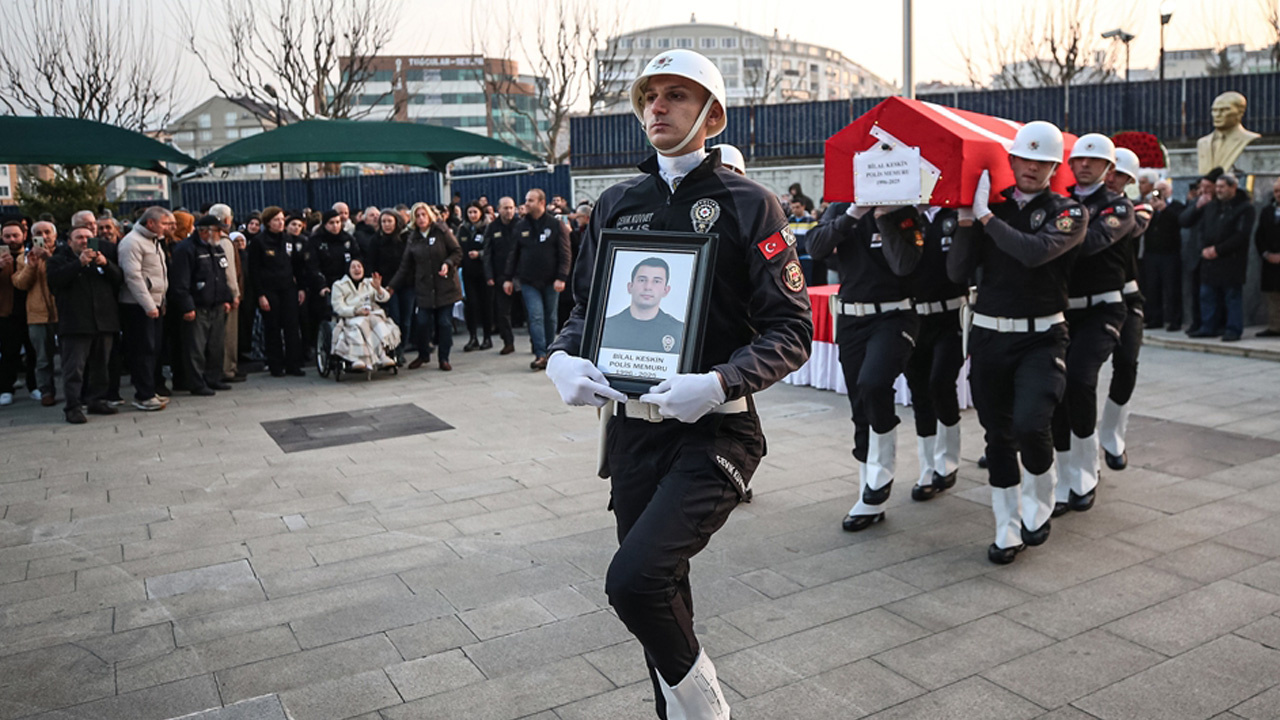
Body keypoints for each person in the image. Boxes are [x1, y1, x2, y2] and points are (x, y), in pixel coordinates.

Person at [545, 49, 812, 720]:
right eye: (649, 97)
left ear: (712, 115)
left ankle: (708, 713)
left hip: (716, 430)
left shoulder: (751, 204)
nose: (658, 108)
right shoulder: (616, 203)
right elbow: (585, 310)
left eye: (677, 96)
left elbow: (791, 330)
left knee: (633, 584)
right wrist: (561, 359)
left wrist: (721, 382)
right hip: (633, 433)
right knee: (663, 595)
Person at [948, 121, 1086, 564]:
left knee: (1031, 424)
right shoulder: (992, 207)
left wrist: (986, 216)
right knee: (998, 437)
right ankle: (1007, 527)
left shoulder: (1070, 212)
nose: (1031, 167)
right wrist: (968, 221)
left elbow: (1034, 252)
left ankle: (1038, 505)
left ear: (1053, 167)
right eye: (1024, 159)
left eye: (1041, 161)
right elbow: (957, 273)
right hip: (989, 336)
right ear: (1010, 161)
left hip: (1042, 338)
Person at [808, 197, 921, 531]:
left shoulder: (904, 211)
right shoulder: (842, 208)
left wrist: (884, 219)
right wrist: (853, 213)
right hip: (852, 320)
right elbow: (815, 247)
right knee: (859, 403)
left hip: (894, 316)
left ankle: (882, 473)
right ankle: (869, 496)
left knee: (874, 384)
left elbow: (904, 264)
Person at [1049, 133, 1135, 518]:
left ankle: (1085, 472)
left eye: (1093, 160)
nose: (1084, 164)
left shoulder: (1118, 206)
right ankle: (1065, 473)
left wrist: (1045, 239)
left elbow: (1090, 243)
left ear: (1108, 169)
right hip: (1062, 310)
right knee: (1056, 389)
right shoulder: (1059, 202)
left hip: (1103, 309)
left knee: (1082, 379)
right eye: (1079, 159)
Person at [900, 205, 967, 501]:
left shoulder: (954, 215)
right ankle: (928, 467)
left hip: (951, 315)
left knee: (941, 383)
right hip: (915, 317)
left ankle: (948, 460)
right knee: (919, 391)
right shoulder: (904, 217)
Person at [1097, 149, 1153, 472]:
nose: (1111, 177)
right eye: (1110, 170)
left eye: (1118, 174)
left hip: (1127, 296)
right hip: (1090, 299)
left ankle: (1113, 435)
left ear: (1129, 180)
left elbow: (1128, 229)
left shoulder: (1137, 208)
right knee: (1080, 376)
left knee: (1127, 364)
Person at [46, 225, 124, 423]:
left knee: (101, 366)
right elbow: (56, 282)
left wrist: (106, 264)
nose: (84, 241)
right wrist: (78, 264)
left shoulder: (102, 257)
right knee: (74, 369)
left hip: (104, 321)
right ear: (70, 241)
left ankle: (96, 400)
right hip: (76, 324)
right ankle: (73, 406)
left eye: (88, 237)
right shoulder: (58, 260)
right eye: (79, 237)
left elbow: (119, 279)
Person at [1182, 173, 1255, 342]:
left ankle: (1233, 329)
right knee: (1207, 295)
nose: (1219, 190)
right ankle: (1208, 327)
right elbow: (1202, 229)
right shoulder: (1212, 206)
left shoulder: (1244, 208)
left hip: (1231, 259)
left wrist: (1219, 250)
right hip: (1209, 258)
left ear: (1233, 188)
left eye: (1222, 187)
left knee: (1231, 297)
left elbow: (1241, 235)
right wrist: (1205, 249)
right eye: (1218, 187)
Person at [389, 203, 462, 371]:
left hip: (445, 286)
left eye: (423, 215)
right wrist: (392, 286)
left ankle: (444, 358)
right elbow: (405, 265)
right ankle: (423, 354)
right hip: (424, 287)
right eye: (417, 215)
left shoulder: (441, 231)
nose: (421, 218)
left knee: (444, 323)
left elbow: (457, 251)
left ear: (429, 216)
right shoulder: (413, 237)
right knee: (421, 322)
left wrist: (448, 263)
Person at [503, 189, 571, 370]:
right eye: (526, 200)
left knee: (550, 317)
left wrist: (562, 277)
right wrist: (508, 278)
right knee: (536, 316)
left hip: (551, 280)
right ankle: (540, 354)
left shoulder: (555, 225)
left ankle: (551, 352)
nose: (526, 204)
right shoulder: (521, 226)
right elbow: (513, 254)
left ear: (542, 202)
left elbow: (565, 253)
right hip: (528, 281)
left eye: (531, 200)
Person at [116, 206, 174, 412]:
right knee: (142, 350)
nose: (167, 228)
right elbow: (133, 276)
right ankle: (143, 394)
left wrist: (161, 301)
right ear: (150, 223)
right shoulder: (132, 242)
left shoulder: (154, 241)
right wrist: (149, 305)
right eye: (164, 223)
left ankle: (150, 388)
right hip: (138, 306)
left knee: (154, 349)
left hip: (156, 303)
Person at [170, 215, 234, 396]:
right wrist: (187, 306)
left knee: (216, 345)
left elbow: (222, 276)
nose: (221, 234)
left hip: (217, 304)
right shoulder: (186, 249)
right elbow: (180, 282)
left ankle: (213, 378)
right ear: (205, 231)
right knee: (195, 347)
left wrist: (226, 298)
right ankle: (196, 382)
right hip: (197, 305)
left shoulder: (217, 248)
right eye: (218, 230)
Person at [249, 207, 307, 377]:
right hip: (269, 289)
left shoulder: (288, 239)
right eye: (276, 220)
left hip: (288, 287)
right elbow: (254, 271)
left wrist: (301, 288)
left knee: (291, 326)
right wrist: (260, 294)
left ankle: (293, 364)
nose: (280, 223)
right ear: (268, 222)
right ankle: (276, 365)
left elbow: (297, 265)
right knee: (272, 327)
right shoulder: (259, 242)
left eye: (282, 219)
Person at [10, 220, 58, 407]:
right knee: (43, 357)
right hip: (37, 314)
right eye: (39, 232)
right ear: (32, 236)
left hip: (62, 311)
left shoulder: (63, 254)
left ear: (54, 235)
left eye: (47, 232)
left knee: (72, 355)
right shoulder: (24, 258)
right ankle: (46, 390)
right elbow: (20, 283)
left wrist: (49, 258)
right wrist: (31, 265)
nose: (44, 236)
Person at [598, 257, 685, 354]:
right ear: (630, 287)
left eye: (656, 281)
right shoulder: (605, 328)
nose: (648, 287)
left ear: (666, 290)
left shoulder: (680, 331)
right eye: (642, 280)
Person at [330, 259, 400, 370]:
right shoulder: (339, 285)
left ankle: (382, 355)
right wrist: (355, 311)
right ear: (348, 270)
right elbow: (338, 307)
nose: (357, 269)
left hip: (369, 315)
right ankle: (357, 358)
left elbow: (385, 297)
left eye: (359, 266)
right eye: (353, 267)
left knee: (376, 321)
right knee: (360, 324)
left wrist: (378, 289)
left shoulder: (369, 282)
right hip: (351, 316)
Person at [368, 207, 411, 363]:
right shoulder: (375, 240)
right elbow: (372, 263)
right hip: (386, 287)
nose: (386, 225)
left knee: (406, 319)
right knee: (394, 318)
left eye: (389, 221)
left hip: (406, 284)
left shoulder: (406, 238)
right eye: (384, 221)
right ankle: (393, 349)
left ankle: (401, 349)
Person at [208, 204, 245, 383]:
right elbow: (229, 271)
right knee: (228, 334)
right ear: (227, 220)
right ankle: (228, 368)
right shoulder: (224, 241)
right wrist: (235, 294)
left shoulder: (210, 238)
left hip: (217, 293)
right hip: (227, 294)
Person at [1142, 180, 1185, 331]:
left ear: (1170, 191)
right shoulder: (1150, 207)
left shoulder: (1176, 206)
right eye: (1157, 190)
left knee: (1171, 288)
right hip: (1152, 253)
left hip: (1170, 253)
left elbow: (1180, 221)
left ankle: (1175, 319)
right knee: (1152, 288)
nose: (1160, 192)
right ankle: (1155, 318)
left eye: (1163, 189)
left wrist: (1165, 209)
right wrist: (1151, 210)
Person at [483, 197, 520, 355]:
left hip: (521, 274)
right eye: (505, 208)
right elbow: (487, 253)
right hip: (500, 275)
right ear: (499, 209)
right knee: (502, 312)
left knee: (532, 312)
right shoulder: (492, 228)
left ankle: (536, 344)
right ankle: (508, 341)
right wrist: (489, 274)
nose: (508, 211)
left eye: (511, 208)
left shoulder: (521, 225)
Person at [457, 203, 493, 352]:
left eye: (475, 212)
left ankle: (487, 337)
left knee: (486, 305)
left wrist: (480, 254)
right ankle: (473, 337)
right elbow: (457, 248)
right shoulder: (463, 229)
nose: (472, 215)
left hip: (484, 272)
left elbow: (491, 249)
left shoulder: (487, 228)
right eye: (470, 212)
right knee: (471, 305)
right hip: (468, 272)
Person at [1255, 177, 1280, 338]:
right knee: (1273, 295)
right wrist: (1266, 254)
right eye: (1277, 191)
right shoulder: (1267, 211)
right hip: (1271, 261)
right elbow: (1259, 236)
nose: (1278, 194)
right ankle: (1275, 326)